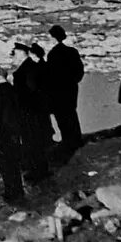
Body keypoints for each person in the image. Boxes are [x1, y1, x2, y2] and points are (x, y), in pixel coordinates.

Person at [0, 66, 25, 204]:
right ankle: (18, 191)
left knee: (5, 164)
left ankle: (11, 193)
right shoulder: (13, 89)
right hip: (14, 133)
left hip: (2, 134)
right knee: (14, 164)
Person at [44, 25, 85, 155]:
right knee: (72, 114)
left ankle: (68, 142)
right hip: (71, 89)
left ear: (53, 37)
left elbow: (50, 75)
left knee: (62, 116)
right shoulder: (72, 51)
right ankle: (76, 140)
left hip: (58, 91)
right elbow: (79, 71)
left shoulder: (53, 54)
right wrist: (73, 82)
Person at [13, 43, 51, 183]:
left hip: (29, 114)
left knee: (31, 142)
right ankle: (40, 169)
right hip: (34, 113)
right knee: (35, 142)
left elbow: (31, 91)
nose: (14, 55)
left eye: (15, 52)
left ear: (22, 53)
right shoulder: (31, 67)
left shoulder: (26, 70)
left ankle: (37, 172)